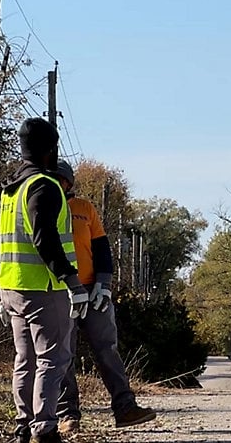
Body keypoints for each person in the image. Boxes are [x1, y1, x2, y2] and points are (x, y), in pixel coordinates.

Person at [0, 118, 88, 443]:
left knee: (25, 359)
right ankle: (45, 428)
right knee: (53, 358)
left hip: (12, 287)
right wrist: (72, 281)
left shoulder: (11, 190)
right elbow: (45, 239)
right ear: (51, 150)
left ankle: (24, 425)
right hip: (43, 288)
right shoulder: (44, 187)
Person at [53, 160, 156, 433]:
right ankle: (67, 415)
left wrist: (104, 284)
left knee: (107, 349)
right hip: (60, 293)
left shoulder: (84, 209)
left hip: (91, 291)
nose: (59, 184)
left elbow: (101, 249)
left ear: (69, 183)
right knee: (64, 356)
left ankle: (125, 408)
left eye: (62, 179)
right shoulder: (44, 206)